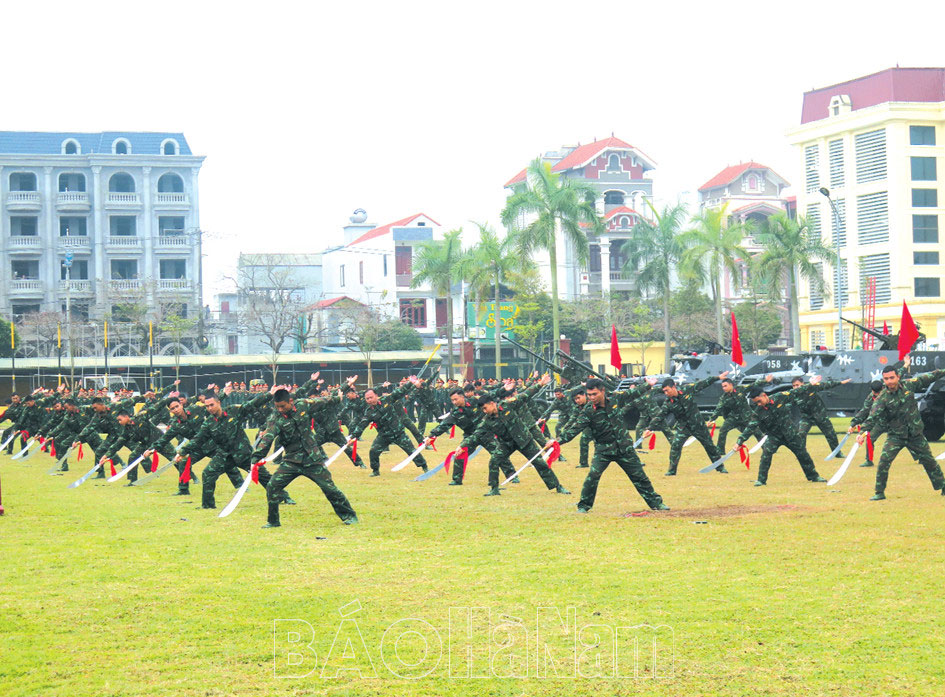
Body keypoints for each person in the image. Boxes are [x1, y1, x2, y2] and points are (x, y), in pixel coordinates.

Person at [557, 378, 668, 513]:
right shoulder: (588, 411)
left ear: (603, 391)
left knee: (640, 477)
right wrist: (557, 442)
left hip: (624, 447)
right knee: (592, 477)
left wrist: (648, 384)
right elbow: (574, 430)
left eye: (595, 394)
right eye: (589, 395)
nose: (592, 398)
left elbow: (632, 393)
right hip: (603, 450)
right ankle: (584, 506)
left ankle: (656, 503)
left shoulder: (615, 399)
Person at [253, 385, 358, 528]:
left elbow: (323, 401)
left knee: (330, 489)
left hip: (312, 459)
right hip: (291, 461)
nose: (280, 410)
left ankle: (349, 516)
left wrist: (337, 398)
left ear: (290, 401)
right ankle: (273, 521)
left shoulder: (303, 405)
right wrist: (256, 457)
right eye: (277, 407)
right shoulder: (275, 418)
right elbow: (268, 438)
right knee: (272, 486)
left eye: (283, 406)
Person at [176, 384, 293, 510]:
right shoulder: (208, 423)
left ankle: (284, 497)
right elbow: (198, 439)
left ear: (218, 403)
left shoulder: (233, 411)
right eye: (207, 406)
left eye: (212, 405)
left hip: (243, 453)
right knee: (208, 473)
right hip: (224, 455)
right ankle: (208, 505)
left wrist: (269, 394)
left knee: (263, 476)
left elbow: (251, 404)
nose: (210, 408)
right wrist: (182, 451)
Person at [857, 358, 945, 501]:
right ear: (883, 380)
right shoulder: (882, 398)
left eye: (892, 378)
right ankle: (879, 492)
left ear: (898, 377)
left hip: (915, 434)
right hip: (895, 436)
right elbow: (872, 417)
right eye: (886, 379)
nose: (890, 381)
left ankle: (943, 486)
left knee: (929, 461)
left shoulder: (909, 386)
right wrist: (862, 432)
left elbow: (931, 376)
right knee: (884, 462)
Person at [458, 391, 569, 497]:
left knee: (539, 463)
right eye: (482, 409)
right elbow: (476, 435)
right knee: (494, 461)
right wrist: (462, 446)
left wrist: (540, 384)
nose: (484, 411)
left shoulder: (507, 405)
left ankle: (557, 486)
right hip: (506, 444)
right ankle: (494, 488)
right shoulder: (487, 420)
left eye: (485, 408)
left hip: (524, 440)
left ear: (492, 403)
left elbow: (525, 395)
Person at [736, 377, 829, 486]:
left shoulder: (779, 397)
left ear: (764, 395)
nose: (759, 404)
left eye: (759, 401)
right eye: (756, 403)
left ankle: (814, 476)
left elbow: (796, 391)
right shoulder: (758, 412)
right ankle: (761, 480)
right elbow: (750, 427)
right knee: (766, 454)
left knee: (803, 454)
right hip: (774, 436)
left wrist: (810, 385)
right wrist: (739, 441)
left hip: (790, 433)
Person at [425, 387, 517, 486]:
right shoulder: (455, 413)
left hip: (486, 433)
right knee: (460, 453)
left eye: (456, 399)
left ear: (462, 397)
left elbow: (490, 395)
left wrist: (503, 388)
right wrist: (432, 436)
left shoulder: (475, 401)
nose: (454, 402)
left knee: (498, 454)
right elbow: (444, 425)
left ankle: (512, 476)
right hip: (470, 436)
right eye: (452, 400)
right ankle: (457, 479)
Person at [644, 372, 730, 476]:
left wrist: (718, 377)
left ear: (673, 387)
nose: (666, 393)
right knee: (675, 446)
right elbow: (660, 416)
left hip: (698, 425)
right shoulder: (668, 403)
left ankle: (720, 468)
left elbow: (703, 383)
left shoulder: (687, 390)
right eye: (664, 391)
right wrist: (650, 428)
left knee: (710, 446)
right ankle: (672, 470)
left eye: (667, 390)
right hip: (683, 427)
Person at [350, 377, 428, 476]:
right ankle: (375, 471)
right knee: (373, 451)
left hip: (398, 432)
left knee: (411, 451)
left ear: (376, 396)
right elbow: (362, 425)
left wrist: (410, 383)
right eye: (367, 399)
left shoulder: (387, 399)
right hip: (384, 436)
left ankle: (424, 466)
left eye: (371, 397)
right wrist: (353, 437)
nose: (369, 400)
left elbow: (399, 392)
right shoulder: (369, 412)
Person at [792, 376, 847, 456]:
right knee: (801, 434)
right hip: (806, 418)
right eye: (794, 385)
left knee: (830, 434)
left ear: (803, 384)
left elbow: (826, 385)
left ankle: (837, 453)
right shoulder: (793, 394)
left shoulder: (811, 388)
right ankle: (802, 454)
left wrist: (840, 382)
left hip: (820, 415)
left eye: (797, 385)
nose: (796, 387)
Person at [708, 378, 757, 451]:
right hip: (734, 418)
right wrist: (712, 419)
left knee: (757, 432)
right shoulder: (724, 397)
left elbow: (753, 385)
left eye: (725, 386)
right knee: (722, 430)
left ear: (731, 385)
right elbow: (718, 409)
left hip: (747, 416)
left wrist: (765, 380)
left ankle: (765, 447)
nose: (724, 388)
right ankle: (720, 450)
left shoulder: (740, 389)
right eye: (723, 386)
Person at [847, 380, 885, 468]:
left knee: (904, 437)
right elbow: (864, 411)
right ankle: (869, 460)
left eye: (878, 392)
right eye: (875, 393)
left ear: (882, 388)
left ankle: (919, 456)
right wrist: (853, 423)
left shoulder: (889, 393)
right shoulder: (871, 397)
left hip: (893, 420)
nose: (876, 394)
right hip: (879, 422)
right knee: (870, 438)